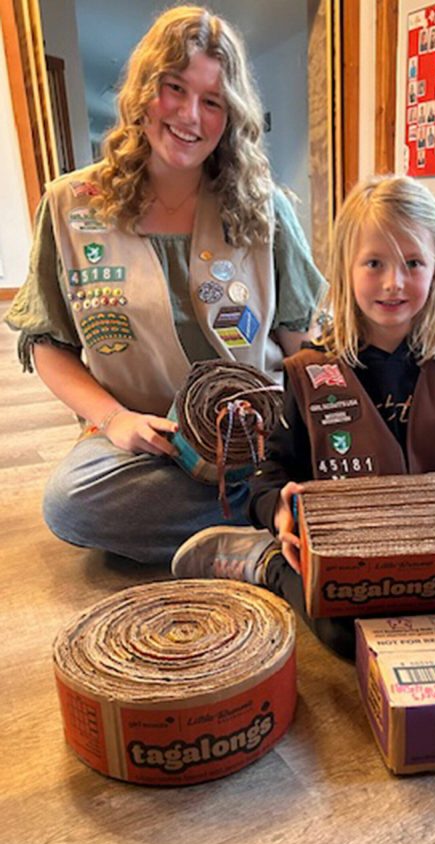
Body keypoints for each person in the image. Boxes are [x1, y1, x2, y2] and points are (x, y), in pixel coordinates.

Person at [172, 175, 435, 658]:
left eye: (413, 263)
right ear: (345, 268)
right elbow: (270, 475)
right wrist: (278, 512)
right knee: (348, 636)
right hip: (352, 551)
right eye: (374, 263)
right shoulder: (310, 373)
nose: (394, 282)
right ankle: (265, 561)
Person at [5, 5, 323, 564]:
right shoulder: (69, 207)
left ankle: (247, 528)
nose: (189, 115)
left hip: (255, 437)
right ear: (143, 91)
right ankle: (270, 518)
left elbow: (302, 342)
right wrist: (115, 420)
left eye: (213, 101)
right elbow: (48, 344)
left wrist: (338, 421)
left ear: (231, 116)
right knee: (71, 503)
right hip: (143, 445)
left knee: (324, 459)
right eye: (174, 88)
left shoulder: (265, 209)